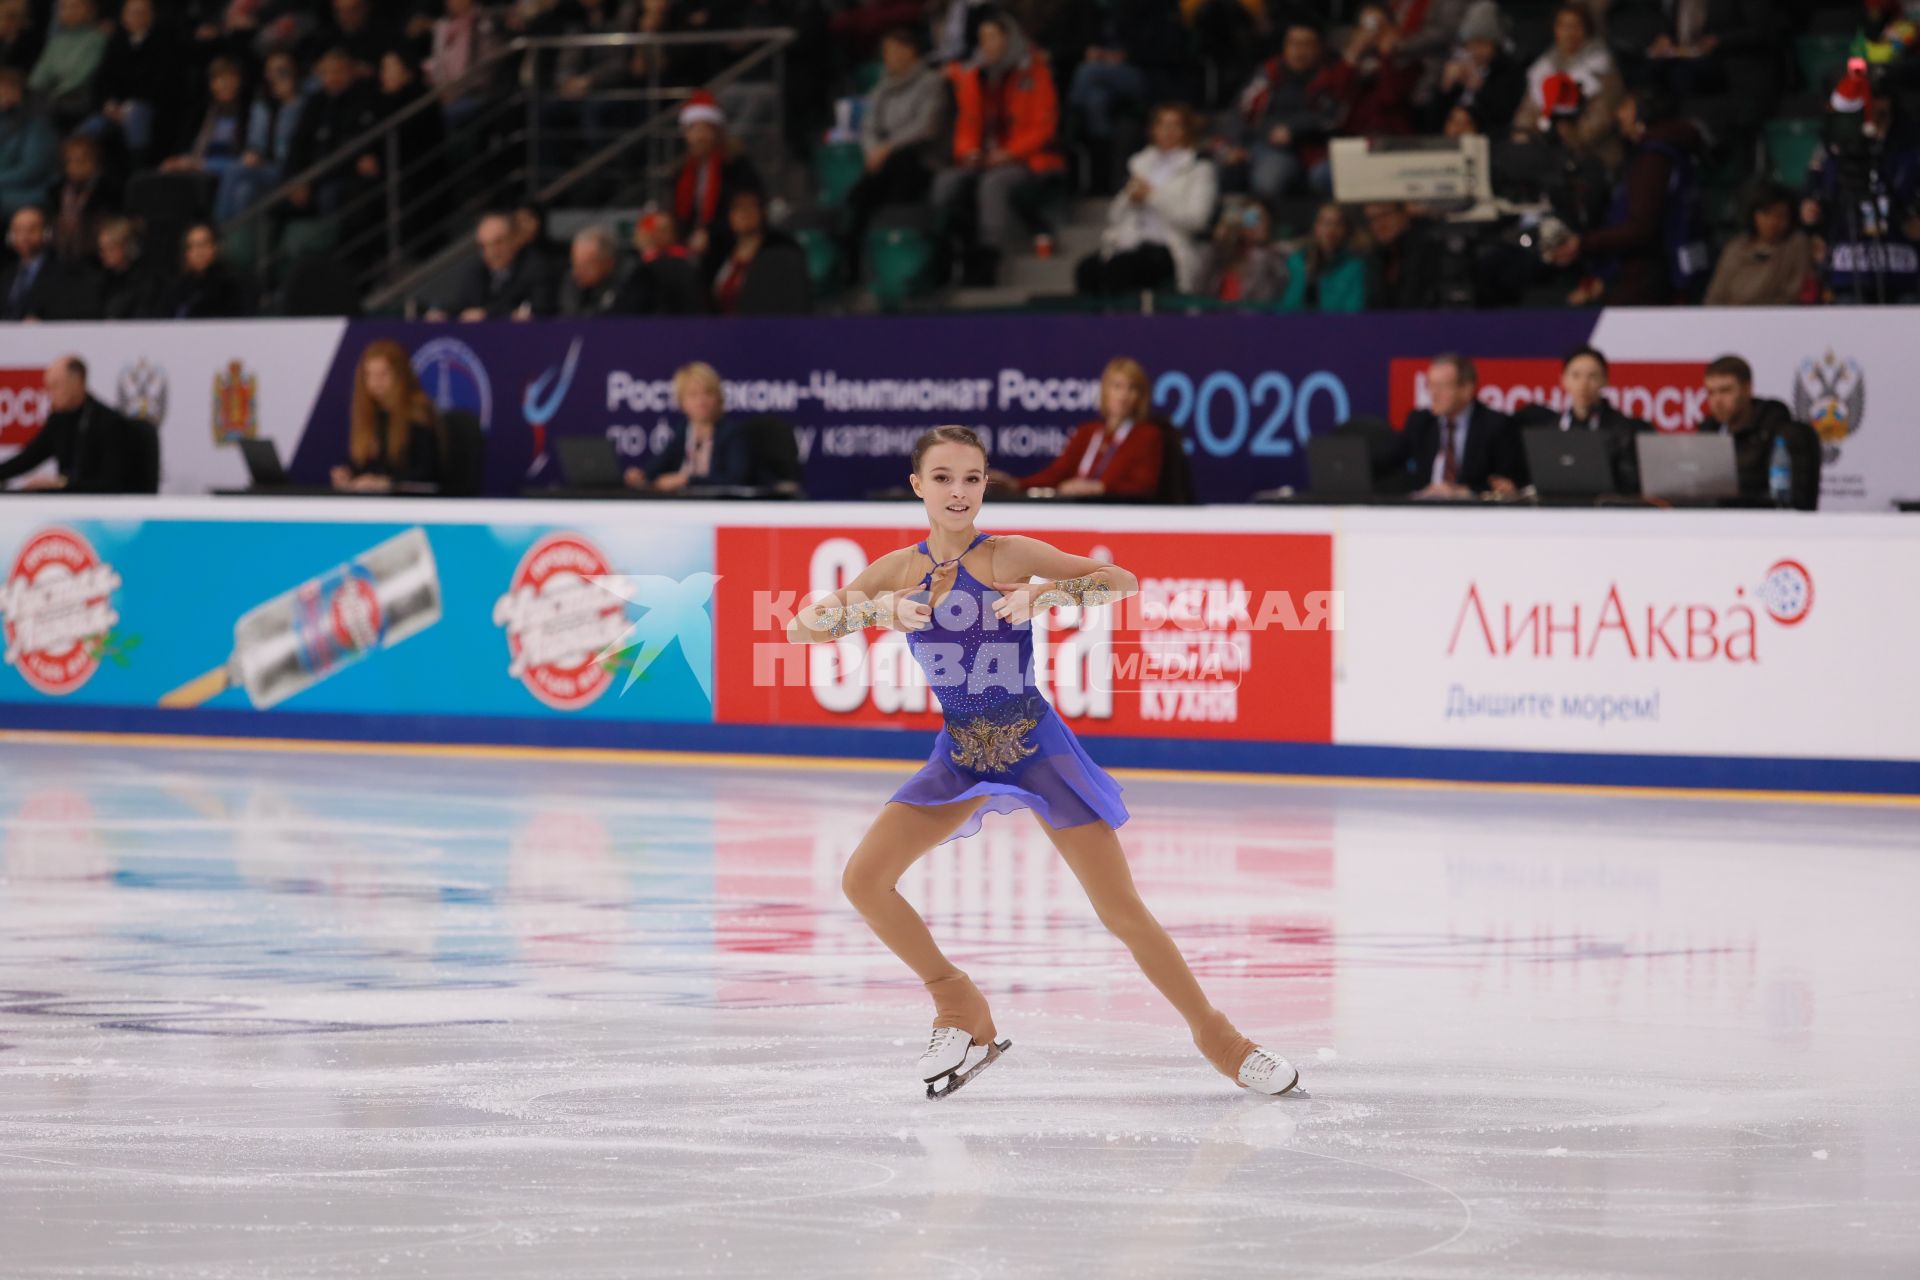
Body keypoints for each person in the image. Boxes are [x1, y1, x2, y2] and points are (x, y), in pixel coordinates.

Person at [786, 424, 1301, 1100]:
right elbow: (801, 627)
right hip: (962, 754)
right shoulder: (898, 572)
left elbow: (1120, 580)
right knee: (863, 880)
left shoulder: (1006, 555)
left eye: (972, 478)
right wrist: (877, 610)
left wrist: (1046, 595)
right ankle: (957, 1003)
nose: (959, 491)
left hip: (1037, 751)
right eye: (943, 478)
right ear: (917, 486)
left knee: (1121, 912)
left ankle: (1222, 1040)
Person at [933, 9, 1065, 284]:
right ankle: (942, 252)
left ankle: (989, 257)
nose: (987, 44)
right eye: (982, 38)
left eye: (993, 37)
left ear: (1009, 39)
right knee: (946, 182)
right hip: (983, 157)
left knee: (993, 184)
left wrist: (1009, 154)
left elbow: (1043, 128)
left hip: (1027, 158)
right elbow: (966, 125)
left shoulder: (1035, 73)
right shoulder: (973, 76)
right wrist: (967, 152)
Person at [1545, 87, 1704, 305]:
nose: (1618, 114)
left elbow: (1640, 229)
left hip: (1649, 280)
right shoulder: (1664, 152)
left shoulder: (1653, 160)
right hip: (1659, 271)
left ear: (1643, 112)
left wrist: (1583, 244)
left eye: (1625, 107)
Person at [1075, 102, 1216, 297]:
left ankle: (1121, 323)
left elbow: (1196, 220)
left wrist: (1152, 196)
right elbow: (1114, 217)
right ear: (1153, 129)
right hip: (1131, 242)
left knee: (1122, 269)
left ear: (1186, 130)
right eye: (1162, 125)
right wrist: (1129, 198)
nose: (1168, 131)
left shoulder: (1199, 169)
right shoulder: (1140, 164)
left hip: (1169, 247)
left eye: (1175, 125)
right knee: (1086, 269)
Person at [989, 357, 1163, 499]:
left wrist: (1099, 488)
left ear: (1140, 396)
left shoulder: (1147, 436)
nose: (1123, 395)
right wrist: (1016, 484)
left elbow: (1144, 486)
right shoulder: (1087, 432)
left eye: (1132, 388)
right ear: (1105, 391)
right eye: (1117, 386)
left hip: (1116, 515)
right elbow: (1056, 474)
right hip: (1075, 509)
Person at [845, 26, 945, 253]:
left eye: (896, 50)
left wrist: (887, 148)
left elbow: (926, 127)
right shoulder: (881, 87)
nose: (891, 57)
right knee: (859, 195)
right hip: (886, 161)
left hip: (922, 157)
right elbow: (869, 126)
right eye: (887, 51)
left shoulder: (931, 82)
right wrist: (873, 150)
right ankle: (854, 249)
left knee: (895, 169)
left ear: (911, 52)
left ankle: (898, 241)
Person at [1221, 23, 1340, 204]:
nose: (1299, 51)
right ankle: (1237, 227)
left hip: (1313, 149)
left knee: (1268, 180)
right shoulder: (1269, 73)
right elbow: (1240, 110)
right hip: (1262, 143)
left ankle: (1274, 227)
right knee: (1220, 166)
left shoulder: (1333, 75)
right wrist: (1234, 145)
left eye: (1306, 44)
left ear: (1319, 48)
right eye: (1293, 44)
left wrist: (1293, 129)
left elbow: (1334, 115)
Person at [1512, 345, 1651, 493]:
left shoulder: (1625, 430)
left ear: (1605, 380)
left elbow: (1631, 485)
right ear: (1563, 380)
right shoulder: (1551, 430)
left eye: (1592, 376)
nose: (1583, 384)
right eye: (1576, 375)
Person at [1697, 355, 1821, 511]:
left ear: (1747, 389)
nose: (1717, 400)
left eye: (1725, 390)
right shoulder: (1708, 432)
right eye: (1711, 392)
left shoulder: (1780, 433)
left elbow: (1793, 502)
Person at [0, 356, 141, 492]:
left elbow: (111, 484)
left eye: (55, 386)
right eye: (48, 387)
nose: (49, 394)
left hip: (99, 509)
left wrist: (61, 485)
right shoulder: (58, 420)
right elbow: (27, 458)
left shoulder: (109, 422)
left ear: (77, 383)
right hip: (63, 505)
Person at [1393, 352, 1519, 496]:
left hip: (1474, 513)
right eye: (1430, 385)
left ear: (1466, 389)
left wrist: (1466, 493)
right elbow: (1394, 467)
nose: (1433, 393)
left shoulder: (1495, 426)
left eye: (1441, 386)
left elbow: (1506, 485)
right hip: (1423, 511)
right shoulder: (1420, 422)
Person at [1511, 2, 1622, 165]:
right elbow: (1529, 109)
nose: (1569, 33)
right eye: (1563, 26)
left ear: (1586, 29)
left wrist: (1573, 136)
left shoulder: (1602, 66)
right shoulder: (1544, 66)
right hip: (1546, 150)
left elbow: (1602, 116)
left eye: (1575, 26)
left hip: (1593, 155)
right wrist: (1523, 134)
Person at [331, 339, 445, 493]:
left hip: (414, 505)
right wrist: (348, 474)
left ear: (400, 375)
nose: (376, 382)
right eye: (370, 375)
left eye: (383, 374)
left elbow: (428, 472)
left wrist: (388, 483)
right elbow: (365, 464)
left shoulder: (419, 416)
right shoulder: (371, 415)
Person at [623, 361, 753, 492]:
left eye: (708, 393)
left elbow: (736, 479)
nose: (701, 401)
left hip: (722, 506)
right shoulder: (683, 430)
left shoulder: (732, 433)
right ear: (681, 402)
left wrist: (686, 480)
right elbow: (658, 466)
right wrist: (641, 475)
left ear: (718, 398)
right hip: (684, 506)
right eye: (693, 395)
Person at [671, 89, 761, 273]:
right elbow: (677, 211)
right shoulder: (682, 170)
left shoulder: (735, 166)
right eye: (694, 129)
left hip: (728, 243)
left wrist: (711, 235)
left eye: (704, 129)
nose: (699, 136)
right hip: (690, 245)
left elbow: (746, 210)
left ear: (717, 132)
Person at [217, 50, 307, 225]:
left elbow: (299, 143)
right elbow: (255, 141)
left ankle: (218, 230)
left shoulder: (301, 103)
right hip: (263, 168)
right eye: (272, 70)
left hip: (287, 170)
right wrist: (253, 152)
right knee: (245, 192)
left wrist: (290, 101)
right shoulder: (261, 103)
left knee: (233, 171)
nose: (277, 75)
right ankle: (237, 244)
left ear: (293, 71)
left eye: (282, 70)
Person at [1704, 182, 1815, 306]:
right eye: (1766, 214)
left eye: (1780, 215)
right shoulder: (1735, 248)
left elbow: (1793, 293)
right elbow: (1715, 296)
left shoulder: (1796, 245)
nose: (1773, 222)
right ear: (1754, 215)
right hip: (1729, 319)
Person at [1430, 1, 1525, 138]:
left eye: (1481, 43)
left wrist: (1479, 86)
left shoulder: (1509, 70)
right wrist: (1445, 88)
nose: (1475, 51)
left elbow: (1504, 113)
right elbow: (1433, 120)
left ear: (1494, 44)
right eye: (1471, 44)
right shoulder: (1459, 66)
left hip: (1492, 142)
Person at [709, 187, 811, 315]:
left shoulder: (781, 256)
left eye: (750, 206)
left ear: (762, 212)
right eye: (737, 207)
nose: (744, 213)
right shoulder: (718, 255)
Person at [436, 209, 554, 320]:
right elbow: (462, 305)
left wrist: (487, 314)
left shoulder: (535, 267)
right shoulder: (476, 269)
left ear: (514, 239)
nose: (491, 252)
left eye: (498, 243)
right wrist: (442, 314)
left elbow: (540, 310)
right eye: (484, 246)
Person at [65, 215, 163, 319]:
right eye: (102, 249)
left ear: (127, 247)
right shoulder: (99, 281)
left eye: (110, 249)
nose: (103, 254)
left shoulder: (145, 282)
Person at [27, 0, 106, 128]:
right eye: (64, 7)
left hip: (78, 98)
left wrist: (52, 96)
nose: (69, 11)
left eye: (74, 6)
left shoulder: (97, 39)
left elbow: (79, 77)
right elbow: (40, 74)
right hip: (50, 98)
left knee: (43, 112)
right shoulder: (57, 41)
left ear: (90, 10)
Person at [1278, 202, 1367, 313]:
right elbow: (1285, 308)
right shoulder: (1296, 262)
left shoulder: (1355, 267)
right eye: (1325, 222)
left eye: (1337, 224)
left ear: (1346, 229)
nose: (1330, 229)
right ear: (1315, 226)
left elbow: (1354, 312)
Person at [1198, 196, 1288, 305]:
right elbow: (1200, 293)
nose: (1253, 224)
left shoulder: (1275, 263)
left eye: (1259, 219)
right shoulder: (1220, 255)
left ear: (1270, 225)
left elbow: (1264, 301)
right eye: (1249, 218)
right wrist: (1220, 241)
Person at [620, 206, 707, 314]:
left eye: (663, 230)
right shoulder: (634, 262)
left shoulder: (682, 264)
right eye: (653, 230)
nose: (654, 235)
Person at [45, 133, 117, 263]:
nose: (75, 167)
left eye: (81, 161)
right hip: (61, 255)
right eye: (70, 161)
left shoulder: (108, 191)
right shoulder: (56, 191)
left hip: (96, 257)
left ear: (95, 162)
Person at [0, 66, 55, 219]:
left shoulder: (36, 123)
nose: (4, 93)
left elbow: (32, 169)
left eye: (10, 88)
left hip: (25, 189)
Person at [1, 203, 59, 320]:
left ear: (46, 234)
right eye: (18, 231)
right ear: (10, 236)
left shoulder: (60, 272)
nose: (24, 236)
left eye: (31, 230)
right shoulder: (5, 275)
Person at [558, 223, 628, 316]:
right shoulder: (571, 279)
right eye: (575, 264)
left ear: (608, 262)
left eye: (586, 266)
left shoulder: (629, 279)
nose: (577, 272)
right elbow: (569, 317)